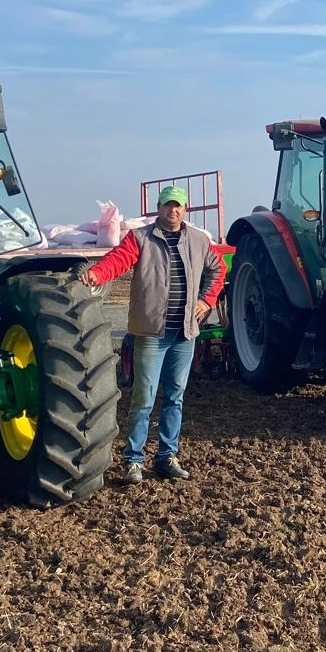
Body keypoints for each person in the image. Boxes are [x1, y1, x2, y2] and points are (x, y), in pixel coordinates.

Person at [79, 185, 226, 484]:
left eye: (178, 205)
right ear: (158, 208)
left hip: (184, 333)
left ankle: (166, 457)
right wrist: (97, 273)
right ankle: (133, 461)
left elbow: (218, 269)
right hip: (150, 333)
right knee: (144, 398)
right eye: (168, 205)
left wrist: (206, 300)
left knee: (175, 397)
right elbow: (118, 260)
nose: (173, 210)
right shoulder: (141, 238)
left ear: (185, 209)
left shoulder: (198, 240)